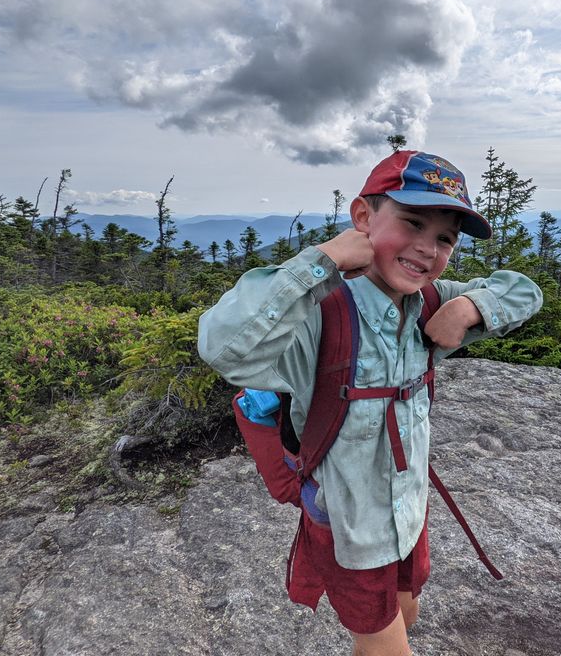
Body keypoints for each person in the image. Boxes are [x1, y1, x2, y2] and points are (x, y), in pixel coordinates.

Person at [198, 150, 543, 656]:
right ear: (363, 218)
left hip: (408, 511)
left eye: (444, 238)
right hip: (349, 526)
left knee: (405, 612)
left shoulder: (430, 301)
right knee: (386, 640)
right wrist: (324, 260)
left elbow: (525, 291)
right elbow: (225, 347)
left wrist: (472, 306)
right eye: (411, 222)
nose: (427, 248)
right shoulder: (321, 315)